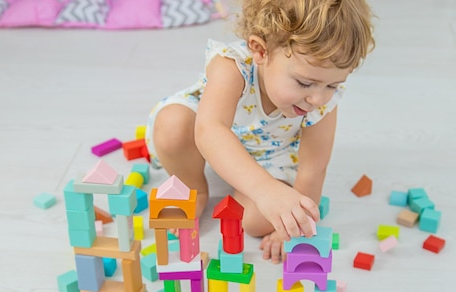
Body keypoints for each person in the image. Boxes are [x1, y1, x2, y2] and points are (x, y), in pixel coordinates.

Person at [145, 0, 375, 263]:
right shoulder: (232, 67)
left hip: (273, 155)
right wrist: (263, 189)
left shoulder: (321, 103)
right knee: (171, 126)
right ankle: (194, 190)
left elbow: (313, 169)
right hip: (209, 132)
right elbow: (210, 130)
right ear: (260, 51)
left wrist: (289, 227)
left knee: (252, 222)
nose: (318, 99)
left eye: (333, 85)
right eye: (304, 82)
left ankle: (253, 189)